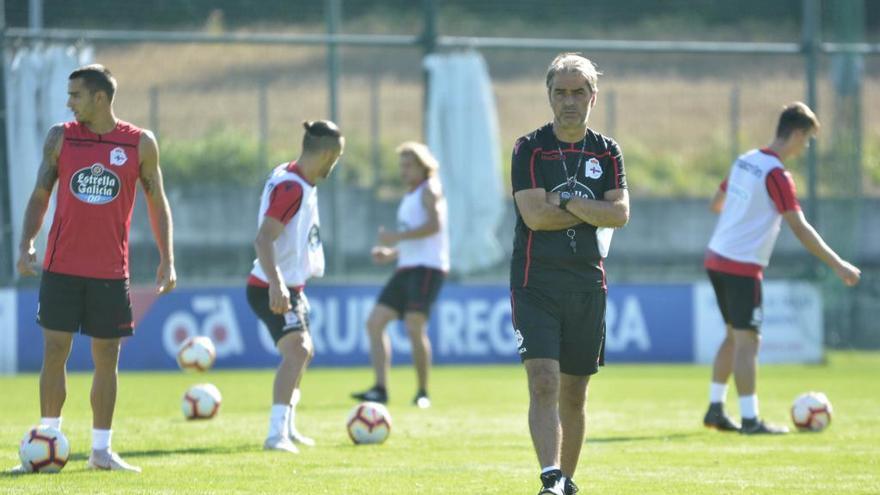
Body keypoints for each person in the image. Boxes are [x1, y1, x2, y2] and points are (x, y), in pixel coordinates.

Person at [13, 64, 176, 473]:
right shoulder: (61, 137)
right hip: (61, 267)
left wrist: (167, 258)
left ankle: (101, 452)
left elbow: (158, 203)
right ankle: (47, 439)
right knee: (55, 350)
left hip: (110, 270)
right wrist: (26, 241)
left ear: (99, 98)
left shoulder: (140, 143)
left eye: (76, 95)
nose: (69, 103)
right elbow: (39, 194)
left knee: (107, 357)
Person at [509, 53, 629, 495]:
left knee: (575, 393)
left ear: (593, 96)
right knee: (543, 380)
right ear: (549, 96)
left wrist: (564, 202)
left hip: (586, 284)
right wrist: (589, 210)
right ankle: (550, 476)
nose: (569, 100)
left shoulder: (607, 150)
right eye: (560, 92)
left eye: (579, 92)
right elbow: (534, 217)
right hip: (534, 282)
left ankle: (566, 484)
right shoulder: (529, 148)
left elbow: (620, 214)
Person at [702, 102, 860, 435]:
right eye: (808, 140)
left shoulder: (745, 159)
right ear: (798, 133)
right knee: (748, 343)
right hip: (741, 265)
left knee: (733, 336)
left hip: (716, 257)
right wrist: (838, 264)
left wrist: (743, 214)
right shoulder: (777, 174)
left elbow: (716, 204)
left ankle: (715, 409)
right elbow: (800, 228)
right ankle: (750, 419)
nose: (806, 148)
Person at [246, 120, 344, 454]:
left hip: (290, 284)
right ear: (328, 153)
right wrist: (276, 285)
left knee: (304, 353)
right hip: (271, 285)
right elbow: (263, 239)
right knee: (297, 351)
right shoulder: (293, 188)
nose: (336, 164)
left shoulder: (294, 177)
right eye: (337, 157)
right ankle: (275, 435)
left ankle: (287, 426)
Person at [350, 142, 449, 408]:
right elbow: (415, 240)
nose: (403, 171)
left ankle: (422, 392)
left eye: (408, 165)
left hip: (427, 268)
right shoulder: (410, 195)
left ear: (422, 165)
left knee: (414, 327)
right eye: (401, 165)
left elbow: (434, 226)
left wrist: (397, 237)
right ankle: (380, 388)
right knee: (375, 322)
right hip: (406, 267)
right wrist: (392, 253)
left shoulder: (430, 188)